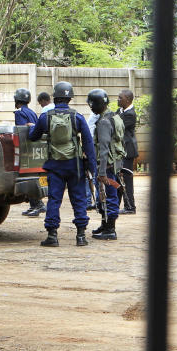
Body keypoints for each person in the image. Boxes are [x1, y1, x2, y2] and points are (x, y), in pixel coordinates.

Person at [27, 81, 97, 247]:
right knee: (79, 199)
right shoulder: (77, 117)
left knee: (54, 200)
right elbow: (88, 143)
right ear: (69, 99)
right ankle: (81, 236)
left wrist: (30, 127)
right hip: (76, 166)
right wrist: (93, 168)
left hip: (54, 165)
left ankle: (52, 236)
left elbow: (33, 136)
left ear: (55, 97)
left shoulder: (45, 117)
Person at [86, 89, 124, 240]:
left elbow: (103, 149)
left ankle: (110, 229)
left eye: (92, 104)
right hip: (114, 163)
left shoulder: (103, 122)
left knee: (108, 196)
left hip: (106, 166)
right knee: (106, 195)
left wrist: (101, 171)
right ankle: (105, 224)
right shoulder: (115, 117)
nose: (91, 107)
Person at [14, 88, 46, 217]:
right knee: (33, 175)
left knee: (27, 177)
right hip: (35, 148)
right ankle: (34, 205)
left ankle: (38, 204)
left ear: (17, 101)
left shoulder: (19, 113)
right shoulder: (32, 112)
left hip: (25, 149)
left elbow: (22, 131)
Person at [117, 89, 138, 214]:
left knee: (126, 179)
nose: (118, 100)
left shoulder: (130, 114)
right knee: (120, 178)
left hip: (127, 151)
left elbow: (116, 125)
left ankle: (130, 206)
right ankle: (119, 205)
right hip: (121, 150)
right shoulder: (121, 111)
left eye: (120, 98)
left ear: (128, 100)